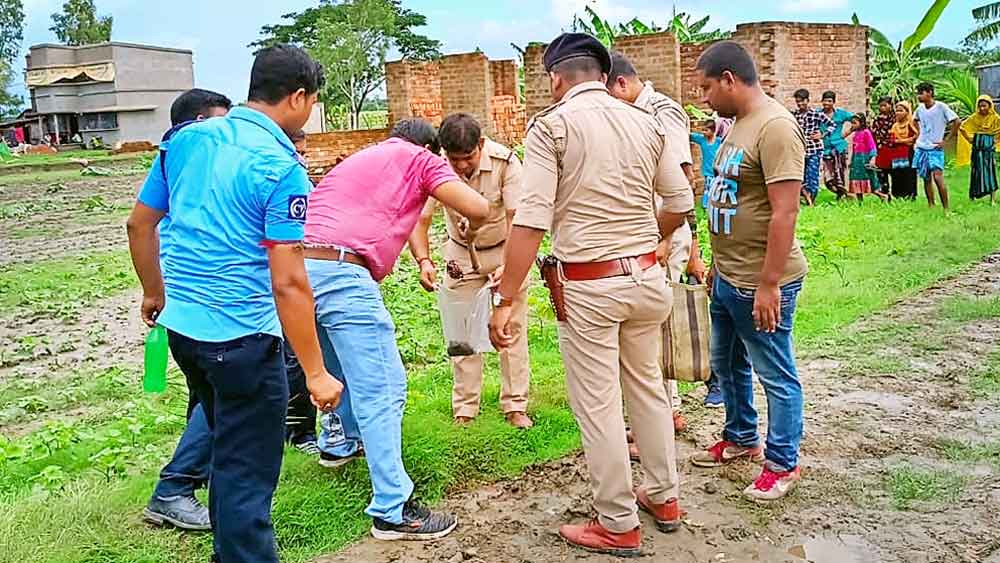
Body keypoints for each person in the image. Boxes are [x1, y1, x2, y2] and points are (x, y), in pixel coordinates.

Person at [127, 45, 344, 563]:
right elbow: (289, 281)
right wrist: (315, 373)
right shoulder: (280, 166)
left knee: (228, 451)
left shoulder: (185, 140)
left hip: (185, 334)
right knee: (246, 475)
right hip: (241, 340)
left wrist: (155, 293)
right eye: (312, 100)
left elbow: (140, 224)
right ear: (297, 97)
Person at [490, 33, 693, 556]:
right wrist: (646, 237)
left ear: (556, 77)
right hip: (649, 279)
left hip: (590, 285)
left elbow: (531, 219)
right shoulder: (645, 121)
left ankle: (618, 521)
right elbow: (680, 198)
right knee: (647, 387)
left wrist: (506, 296)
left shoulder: (552, 126)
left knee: (599, 404)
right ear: (603, 74)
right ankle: (664, 496)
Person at [305, 118, 488, 540]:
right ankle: (392, 508)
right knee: (383, 388)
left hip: (298, 270)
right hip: (343, 271)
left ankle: (338, 444)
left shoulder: (362, 158)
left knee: (337, 370)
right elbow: (477, 207)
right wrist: (472, 227)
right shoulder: (421, 159)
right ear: (431, 149)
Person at [690, 41, 808, 502]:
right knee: (728, 365)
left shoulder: (776, 127)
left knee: (775, 373)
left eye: (705, 87)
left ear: (729, 80)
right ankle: (741, 438)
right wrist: (718, 265)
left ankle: (782, 462)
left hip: (760, 280)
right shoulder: (737, 124)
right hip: (728, 276)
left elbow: (785, 213)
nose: (703, 97)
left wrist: (769, 283)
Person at [139, 88, 232, 533]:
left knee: (206, 397)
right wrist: (153, 291)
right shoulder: (189, 156)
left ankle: (201, 476)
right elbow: (139, 226)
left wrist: (153, 292)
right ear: (196, 123)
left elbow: (143, 223)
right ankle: (174, 487)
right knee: (221, 398)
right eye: (219, 123)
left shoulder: (174, 159)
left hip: (185, 301)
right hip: (201, 300)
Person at [409, 113, 534, 429]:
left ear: (481, 145)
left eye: (468, 158)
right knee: (461, 332)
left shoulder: (506, 163)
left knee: (511, 330)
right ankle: (465, 408)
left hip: (506, 249)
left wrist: (509, 268)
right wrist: (424, 260)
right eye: (455, 160)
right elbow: (419, 220)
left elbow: (516, 219)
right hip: (461, 255)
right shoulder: (436, 165)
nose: (462, 167)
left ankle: (515, 405)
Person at [606, 51, 707, 434]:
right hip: (643, 234)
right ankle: (666, 412)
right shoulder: (631, 113)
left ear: (621, 84)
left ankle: (661, 417)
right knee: (650, 330)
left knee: (651, 333)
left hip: (660, 234)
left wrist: (664, 240)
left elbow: (681, 181)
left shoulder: (661, 112)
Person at [914, 82, 960, 211]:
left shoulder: (941, 107)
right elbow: (914, 120)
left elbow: (957, 121)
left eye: (921, 93)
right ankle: (931, 204)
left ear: (929, 93)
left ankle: (946, 207)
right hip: (922, 146)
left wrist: (946, 140)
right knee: (926, 177)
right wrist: (919, 134)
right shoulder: (920, 109)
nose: (919, 96)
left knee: (938, 177)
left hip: (935, 148)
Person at [791, 89, 835, 206]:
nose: (800, 104)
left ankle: (812, 201)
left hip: (814, 149)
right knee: (800, 177)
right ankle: (806, 199)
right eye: (797, 102)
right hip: (799, 150)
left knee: (813, 177)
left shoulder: (816, 114)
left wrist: (822, 134)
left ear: (807, 100)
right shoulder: (794, 115)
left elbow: (832, 125)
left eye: (802, 101)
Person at [958, 95, 1000, 205]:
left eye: (984, 106)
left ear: (990, 106)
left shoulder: (995, 118)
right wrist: (970, 139)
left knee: (990, 172)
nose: (982, 108)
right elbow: (962, 127)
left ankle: (992, 199)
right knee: (976, 171)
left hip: (988, 150)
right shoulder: (974, 117)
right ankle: (974, 196)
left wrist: (994, 142)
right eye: (980, 106)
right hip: (977, 149)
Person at [820, 91, 853, 199]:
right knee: (827, 176)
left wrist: (847, 132)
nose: (827, 103)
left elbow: (857, 119)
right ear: (822, 101)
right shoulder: (818, 114)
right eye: (825, 100)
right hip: (825, 149)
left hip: (839, 147)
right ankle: (841, 192)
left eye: (829, 101)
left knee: (840, 172)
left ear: (834, 102)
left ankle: (842, 195)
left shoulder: (841, 114)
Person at [847, 114, 884, 203]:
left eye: (855, 123)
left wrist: (872, 158)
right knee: (856, 178)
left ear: (861, 123)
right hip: (856, 160)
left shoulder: (866, 132)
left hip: (865, 159)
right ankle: (860, 201)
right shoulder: (855, 134)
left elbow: (872, 147)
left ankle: (882, 196)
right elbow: (854, 149)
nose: (853, 125)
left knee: (869, 178)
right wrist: (851, 161)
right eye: (852, 123)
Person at [887, 101, 920, 200]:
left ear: (907, 112)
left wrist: (902, 141)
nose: (898, 113)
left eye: (901, 111)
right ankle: (897, 195)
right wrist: (904, 141)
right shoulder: (894, 126)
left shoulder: (911, 125)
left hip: (908, 152)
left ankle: (910, 194)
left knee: (908, 173)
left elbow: (915, 137)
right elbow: (892, 140)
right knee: (897, 174)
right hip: (896, 153)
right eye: (896, 111)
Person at [691, 120, 723, 209]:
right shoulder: (702, 140)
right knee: (708, 188)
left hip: (717, 171)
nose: (704, 133)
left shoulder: (719, 141)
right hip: (707, 171)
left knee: (716, 189)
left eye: (706, 130)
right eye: (703, 130)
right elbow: (690, 136)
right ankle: (707, 207)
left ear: (713, 131)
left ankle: (714, 206)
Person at [871, 96, 896, 199]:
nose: (882, 108)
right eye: (880, 106)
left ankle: (895, 193)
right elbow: (874, 133)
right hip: (880, 149)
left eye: (885, 105)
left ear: (890, 106)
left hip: (893, 149)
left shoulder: (895, 119)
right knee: (881, 172)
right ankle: (885, 193)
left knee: (894, 172)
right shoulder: (877, 119)